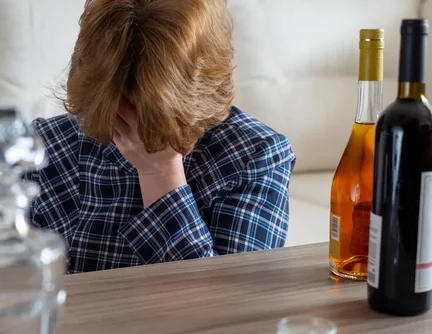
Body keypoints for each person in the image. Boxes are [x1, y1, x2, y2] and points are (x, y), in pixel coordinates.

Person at [25, 0, 296, 273]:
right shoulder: (46, 146)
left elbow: (232, 302)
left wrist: (160, 173)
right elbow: (17, 286)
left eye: (150, 105)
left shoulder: (257, 156)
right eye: (118, 102)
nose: (133, 119)